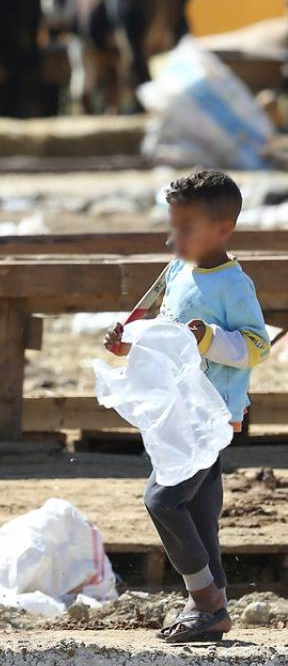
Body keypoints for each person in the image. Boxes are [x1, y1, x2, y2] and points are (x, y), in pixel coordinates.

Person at [104, 169, 271, 644]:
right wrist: (129, 347)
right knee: (200, 515)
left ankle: (205, 602)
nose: (173, 238)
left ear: (224, 229)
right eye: (172, 226)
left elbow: (258, 346)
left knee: (162, 499)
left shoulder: (233, 287)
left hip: (211, 416)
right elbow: (164, 336)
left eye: (186, 229)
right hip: (178, 410)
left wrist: (211, 338)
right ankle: (212, 604)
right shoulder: (178, 271)